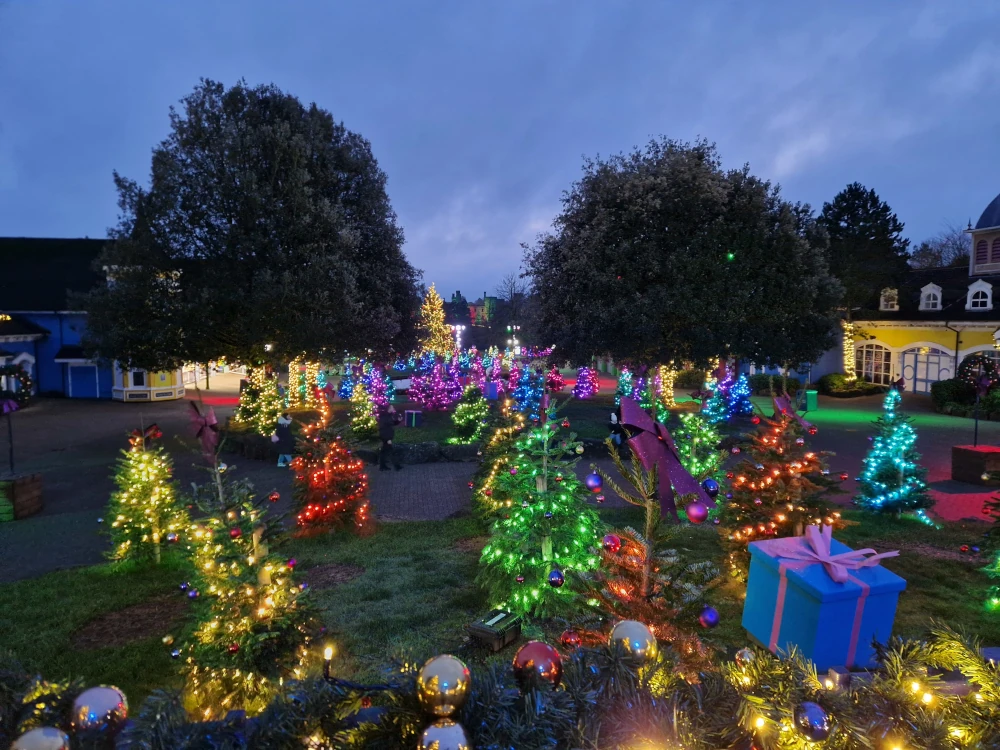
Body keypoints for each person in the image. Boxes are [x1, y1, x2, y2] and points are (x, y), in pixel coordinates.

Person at [378, 405, 403, 471]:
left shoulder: (388, 415)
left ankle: (382, 466)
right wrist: (388, 439)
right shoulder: (384, 417)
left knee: (384, 452)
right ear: (389, 409)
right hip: (386, 437)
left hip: (386, 437)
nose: (394, 408)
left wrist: (398, 421)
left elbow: (391, 424)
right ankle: (396, 466)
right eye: (392, 407)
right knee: (391, 452)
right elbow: (383, 429)